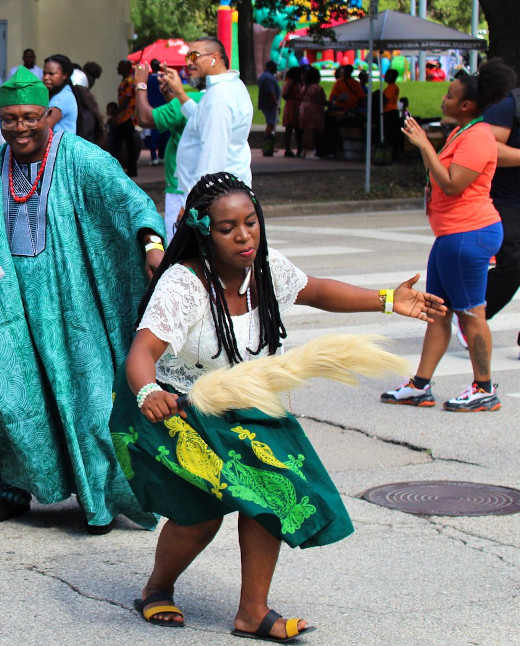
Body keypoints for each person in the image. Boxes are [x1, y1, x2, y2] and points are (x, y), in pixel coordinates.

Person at [124, 172, 443, 637]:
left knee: (273, 490)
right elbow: (142, 353)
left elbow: (317, 291)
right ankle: (156, 589)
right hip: (177, 405)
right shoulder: (183, 284)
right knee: (202, 516)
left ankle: (252, 612)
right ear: (202, 232)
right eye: (227, 227)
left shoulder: (266, 268)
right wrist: (149, 391)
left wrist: (389, 299)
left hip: (246, 401)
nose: (244, 235)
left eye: (251, 222)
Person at [0, 68, 164, 533]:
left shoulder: (80, 158)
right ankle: (13, 491)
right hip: (9, 309)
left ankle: (99, 501)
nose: (19, 128)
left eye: (30, 118)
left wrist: (151, 242)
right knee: (3, 401)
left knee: (93, 404)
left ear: (49, 116)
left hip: (72, 308)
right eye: (9, 119)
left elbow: (132, 201)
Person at [382, 69, 511, 412]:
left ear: (467, 105)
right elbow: (440, 177)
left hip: (469, 233)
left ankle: (484, 388)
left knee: (471, 313)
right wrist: (428, 146)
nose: (444, 98)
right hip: (451, 235)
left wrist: (425, 144)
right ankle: (420, 385)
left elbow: (453, 184)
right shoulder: (461, 130)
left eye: (451, 95)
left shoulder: (478, 137)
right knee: (438, 312)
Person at [160, 37, 253, 198]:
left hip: (218, 197)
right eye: (187, 57)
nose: (189, 63)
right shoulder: (230, 86)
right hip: (228, 192)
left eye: (194, 56)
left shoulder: (218, 97)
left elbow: (212, 157)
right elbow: (200, 119)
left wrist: (194, 203)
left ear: (214, 59)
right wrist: (179, 93)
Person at [135, 63, 203, 241]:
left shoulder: (194, 98)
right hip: (196, 183)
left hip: (180, 187)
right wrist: (169, 95)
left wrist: (141, 84)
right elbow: (181, 114)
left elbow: (144, 118)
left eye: (195, 59)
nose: (190, 66)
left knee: (177, 249)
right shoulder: (209, 101)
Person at [483, 61, 520, 332]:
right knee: (513, 264)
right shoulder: (511, 103)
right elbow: (489, 147)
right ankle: (474, 312)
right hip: (507, 200)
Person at [114, 59, 140, 173]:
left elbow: (127, 99)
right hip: (124, 116)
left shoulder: (129, 81)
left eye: (120, 65)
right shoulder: (125, 80)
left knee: (126, 143)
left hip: (127, 116)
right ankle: (130, 168)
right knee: (125, 143)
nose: (118, 68)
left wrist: (117, 113)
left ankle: (131, 168)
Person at [43, 54, 78, 136]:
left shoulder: (63, 97)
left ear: (65, 75)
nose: (46, 77)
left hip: (61, 147)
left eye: (51, 74)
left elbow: (43, 126)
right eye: (44, 73)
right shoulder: (56, 94)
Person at [299, 66, 327, 160]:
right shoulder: (317, 88)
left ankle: (305, 150)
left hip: (303, 108)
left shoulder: (304, 87)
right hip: (313, 110)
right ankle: (310, 151)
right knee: (311, 131)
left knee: (306, 131)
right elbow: (322, 100)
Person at [257, 61, 281, 156]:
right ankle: (268, 144)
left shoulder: (264, 76)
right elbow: (270, 92)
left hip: (266, 103)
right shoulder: (269, 78)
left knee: (270, 123)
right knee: (271, 124)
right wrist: (276, 104)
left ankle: (268, 144)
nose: (276, 68)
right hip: (270, 104)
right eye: (274, 67)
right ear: (270, 67)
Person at [280, 66, 304, 157]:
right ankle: (288, 149)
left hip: (299, 105)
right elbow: (285, 96)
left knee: (299, 129)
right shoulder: (290, 83)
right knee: (289, 128)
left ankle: (300, 148)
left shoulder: (301, 83)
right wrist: (291, 85)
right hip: (291, 105)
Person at [382, 68, 404, 159]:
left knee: (389, 133)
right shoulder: (394, 87)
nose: (385, 76)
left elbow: (385, 99)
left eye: (387, 74)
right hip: (393, 111)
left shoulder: (390, 88)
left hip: (389, 111)